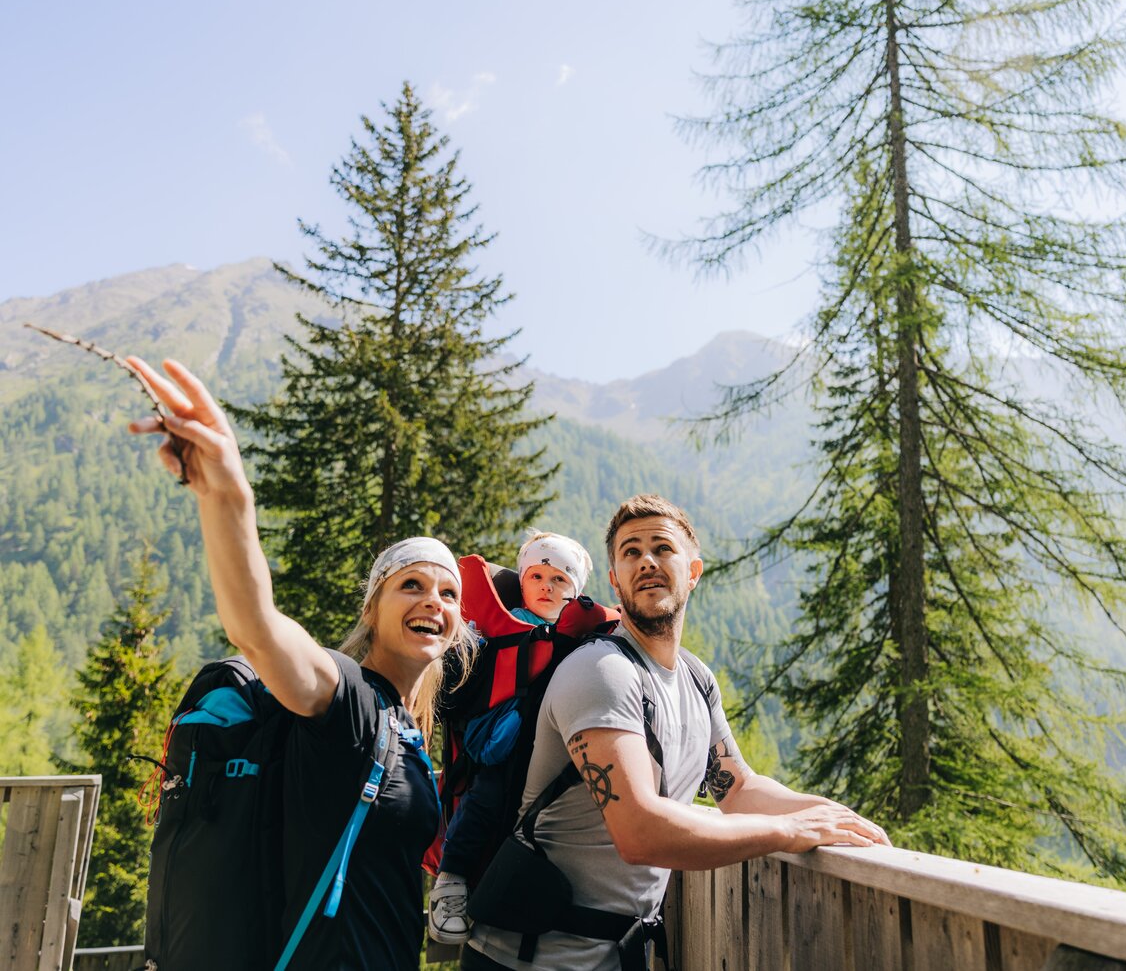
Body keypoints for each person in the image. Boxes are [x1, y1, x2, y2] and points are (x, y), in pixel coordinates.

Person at [127, 356, 472, 971]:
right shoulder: (350, 702)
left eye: (448, 594)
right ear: (373, 609)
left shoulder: (405, 728)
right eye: (411, 585)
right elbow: (256, 629)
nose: (432, 602)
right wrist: (228, 493)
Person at [465, 494, 891, 971]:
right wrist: (787, 831)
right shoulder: (601, 671)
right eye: (630, 552)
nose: (645, 561)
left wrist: (830, 815)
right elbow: (641, 832)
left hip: (613, 957)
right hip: (527, 959)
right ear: (614, 581)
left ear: (692, 571)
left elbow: (739, 787)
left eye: (661, 548)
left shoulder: (695, 678)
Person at [429, 532, 593, 944]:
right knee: (485, 801)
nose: (546, 586)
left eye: (559, 580)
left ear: (574, 594)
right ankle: (451, 879)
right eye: (537, 575)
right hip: (500, 751)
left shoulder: (582, 639)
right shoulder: (498, 627)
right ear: (522, 580)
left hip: (555, 751)